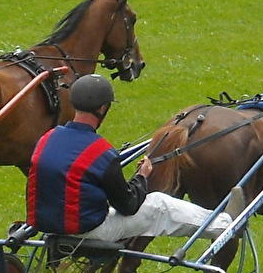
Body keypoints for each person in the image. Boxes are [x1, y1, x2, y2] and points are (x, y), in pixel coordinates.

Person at [28, 74, 241, 243]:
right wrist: (142, 176)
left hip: (46, 224)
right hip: (90, 232)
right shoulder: (101, 153)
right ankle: (226, 224)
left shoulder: (47, 138)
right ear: (103, 108)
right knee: (159, 204)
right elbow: (128, 206)